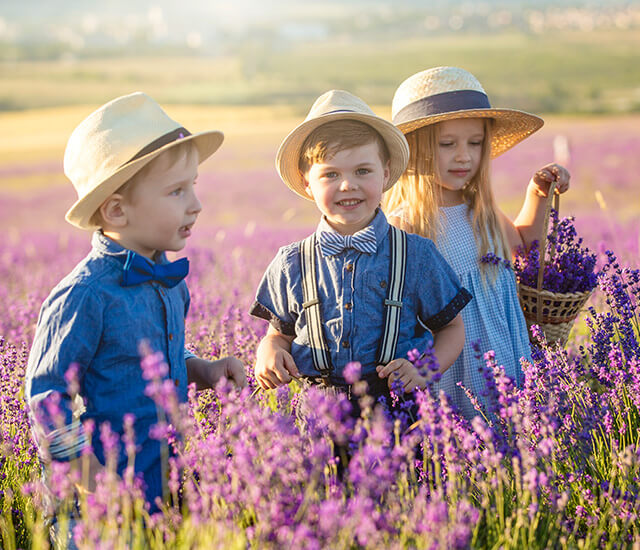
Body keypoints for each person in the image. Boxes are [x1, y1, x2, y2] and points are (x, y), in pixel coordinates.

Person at [25, 92, 248, 524]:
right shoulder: (85, 296)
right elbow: (45, 396)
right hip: (99, 508)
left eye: (194, 186)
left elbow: (159, 355)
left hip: (163, 491)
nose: (196, 204)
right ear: (117, 210)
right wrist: (89, 474)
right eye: (176, 191)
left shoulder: (169, 283)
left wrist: (202, 369)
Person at [251, 90, 470, 421]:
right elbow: (279, 334)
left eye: (362, 171)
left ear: (385, 174)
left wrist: (424, 370)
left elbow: (452, 328)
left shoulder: (416, 255)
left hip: (397, 409)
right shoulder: (291, 262)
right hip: (320, 415)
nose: (347, 185)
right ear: (306, 182)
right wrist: (267, 352)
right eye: (331, 174)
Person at [384, 66, 571, 420]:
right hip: (457, 368)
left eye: (475, 143)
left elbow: (525, 248)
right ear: (415, 150)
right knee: (466, 449)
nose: (464, 156)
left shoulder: (479, 210)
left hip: (506, 355)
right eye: (447, 144)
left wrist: (538, 193)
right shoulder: (406, 224)